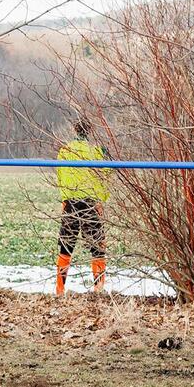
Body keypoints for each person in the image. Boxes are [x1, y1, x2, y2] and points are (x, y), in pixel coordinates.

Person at [55, 121, 109, 294]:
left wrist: (65, 199)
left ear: (74, 130)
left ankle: (60, 289)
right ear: (90, 131)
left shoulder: (65, 151)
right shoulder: (96, 152)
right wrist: (101, 200)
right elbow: (105, 176)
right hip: (91, 203)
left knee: (66, 247)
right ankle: (98, 287)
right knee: (97, 248)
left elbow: (60, 176)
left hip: (71, 202)